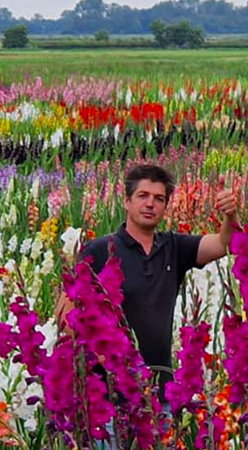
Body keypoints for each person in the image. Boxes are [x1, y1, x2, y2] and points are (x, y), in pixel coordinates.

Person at [69, 162, 239, 388]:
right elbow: (68, 312)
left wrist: (230, 215)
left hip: (159, 391)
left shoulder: (174, 247)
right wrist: (99, 354)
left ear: (166, 206)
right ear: (127, 201)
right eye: (143, 195)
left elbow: (223, 243)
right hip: (108, 394)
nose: (150, 204)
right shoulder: (99, 250)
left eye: (159, 199)